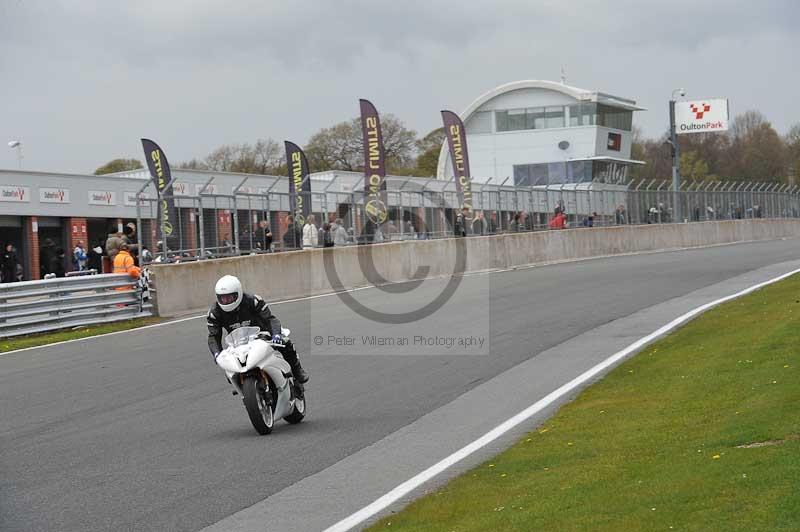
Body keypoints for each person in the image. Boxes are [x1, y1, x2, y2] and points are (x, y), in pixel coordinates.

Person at [207, 275, 308, 383]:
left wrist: (276, 335)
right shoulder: (214, 313)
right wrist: (217, 353)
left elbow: (270, 319)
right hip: (238, 343)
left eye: (229, 297)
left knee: (286, 342)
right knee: (229, 372)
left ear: (238, 294)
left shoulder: (253, 301)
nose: (225, 301)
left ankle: (297, 371)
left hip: (263, 336)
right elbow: (213, 336)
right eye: (222, 298)